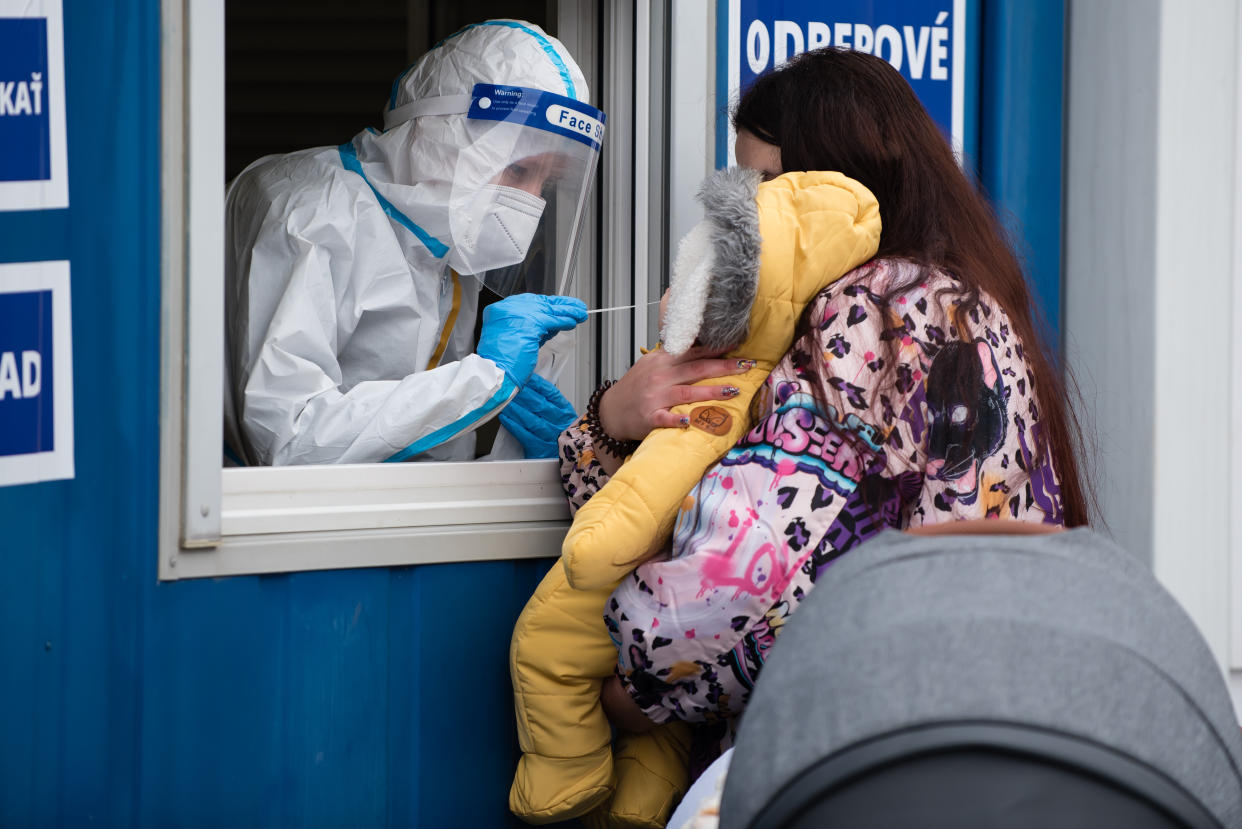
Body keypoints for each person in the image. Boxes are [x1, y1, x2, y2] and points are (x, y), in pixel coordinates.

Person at [560, 46, 1090, 823]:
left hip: (847, 745)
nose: (746, 217)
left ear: (832, 184)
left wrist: (637, 686)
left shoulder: (861, 309)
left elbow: (750, 570)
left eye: (764, 185)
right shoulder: (967, 297)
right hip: (985, 724)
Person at [223, 20, 602, 466]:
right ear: (443, 136)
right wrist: (481, 381)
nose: (530, 201)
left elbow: (420, 459)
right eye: (518, 170)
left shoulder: (444, 246)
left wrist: (522, 456)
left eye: (548, 181)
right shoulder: (314, 213)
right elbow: (286, 439)